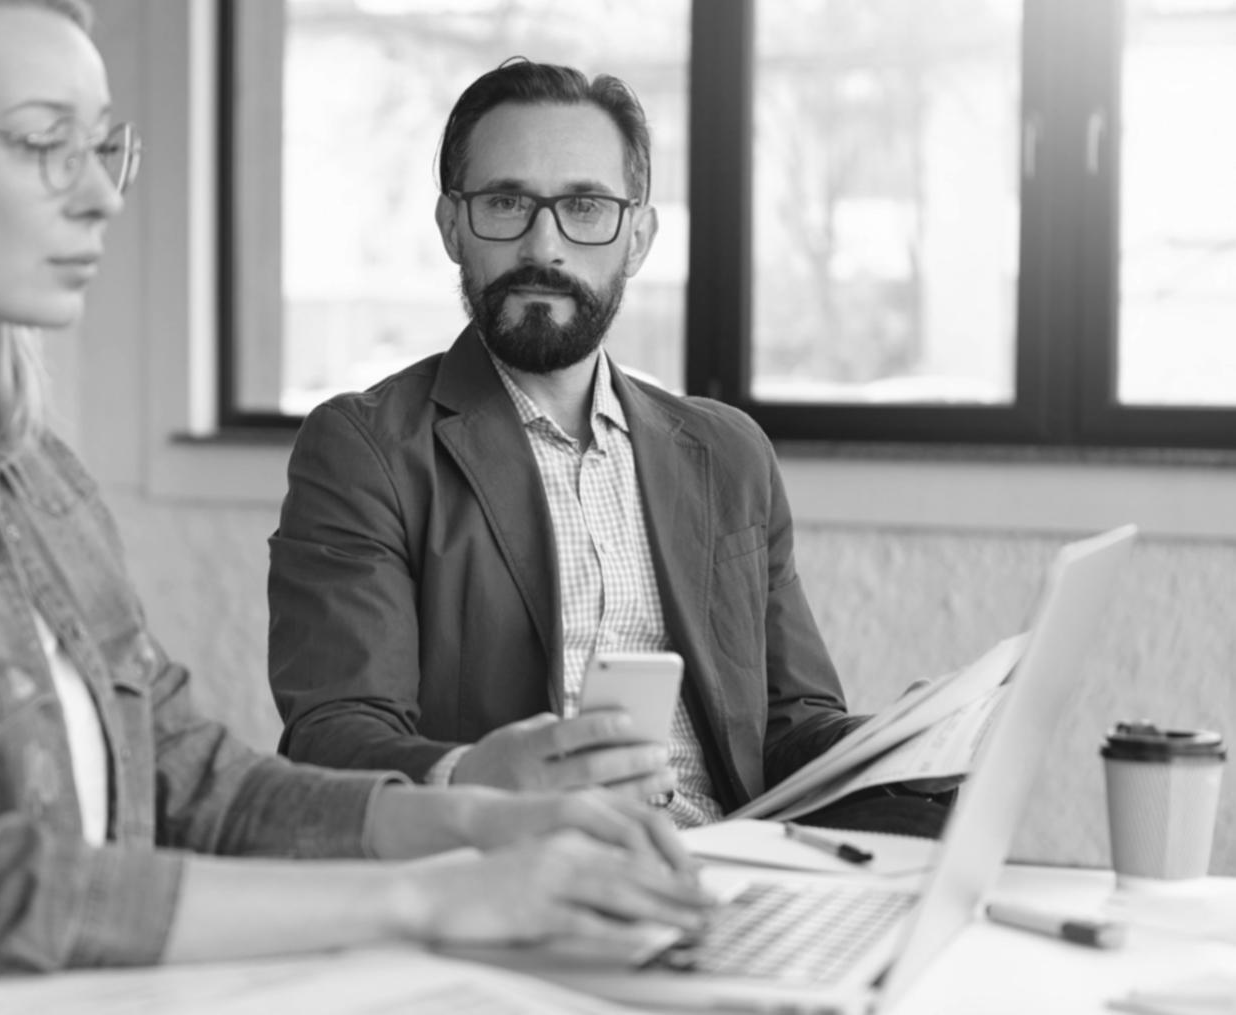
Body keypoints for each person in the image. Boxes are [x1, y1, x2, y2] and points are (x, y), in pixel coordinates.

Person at [0, 10, 713, 1014]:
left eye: (105, 146)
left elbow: (197, 783)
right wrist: (429, 896)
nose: (101, 194)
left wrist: (473, 817)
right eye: (43, 143)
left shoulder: (33, 473)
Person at [268, 60, 953, 835]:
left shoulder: (728, 453)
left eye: (584, 207)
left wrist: (899, 742)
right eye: (505, 202)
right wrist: (474, 778)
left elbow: (791, 727)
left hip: (734, 867)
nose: (544, 246)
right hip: (516, 875)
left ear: (638, 236)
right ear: (451, 226)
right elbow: (333, 737)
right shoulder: (366, 449)